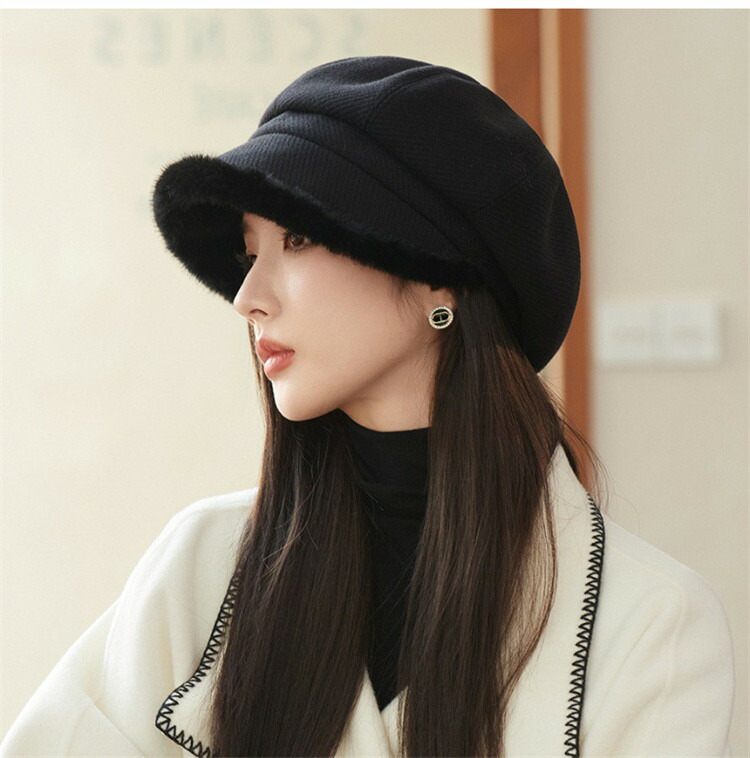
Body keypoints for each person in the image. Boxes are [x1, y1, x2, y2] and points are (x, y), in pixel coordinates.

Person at [1, 55, 735, 758]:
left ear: (438, 279)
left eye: (297, 238)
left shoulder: (649, 623)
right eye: (250, 252)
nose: (248, 297)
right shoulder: (201, 565)